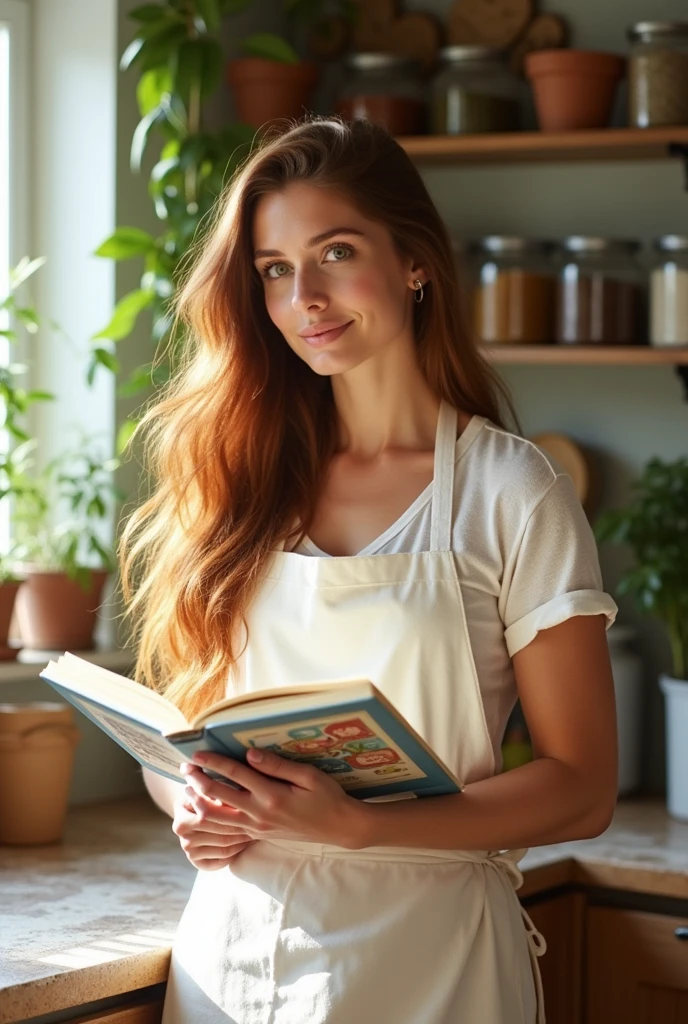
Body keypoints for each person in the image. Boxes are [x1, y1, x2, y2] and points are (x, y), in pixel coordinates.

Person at [120, 116, 619, 1024]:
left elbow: (582, 786)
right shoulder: (237, 482)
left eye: (335, 251)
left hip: (432, 964)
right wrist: (189, 800)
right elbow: (184, 732)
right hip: (233, 960)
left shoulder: (511, 490)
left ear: (415, 263)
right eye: (274, 269)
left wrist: (361, 827)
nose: (304, 295)